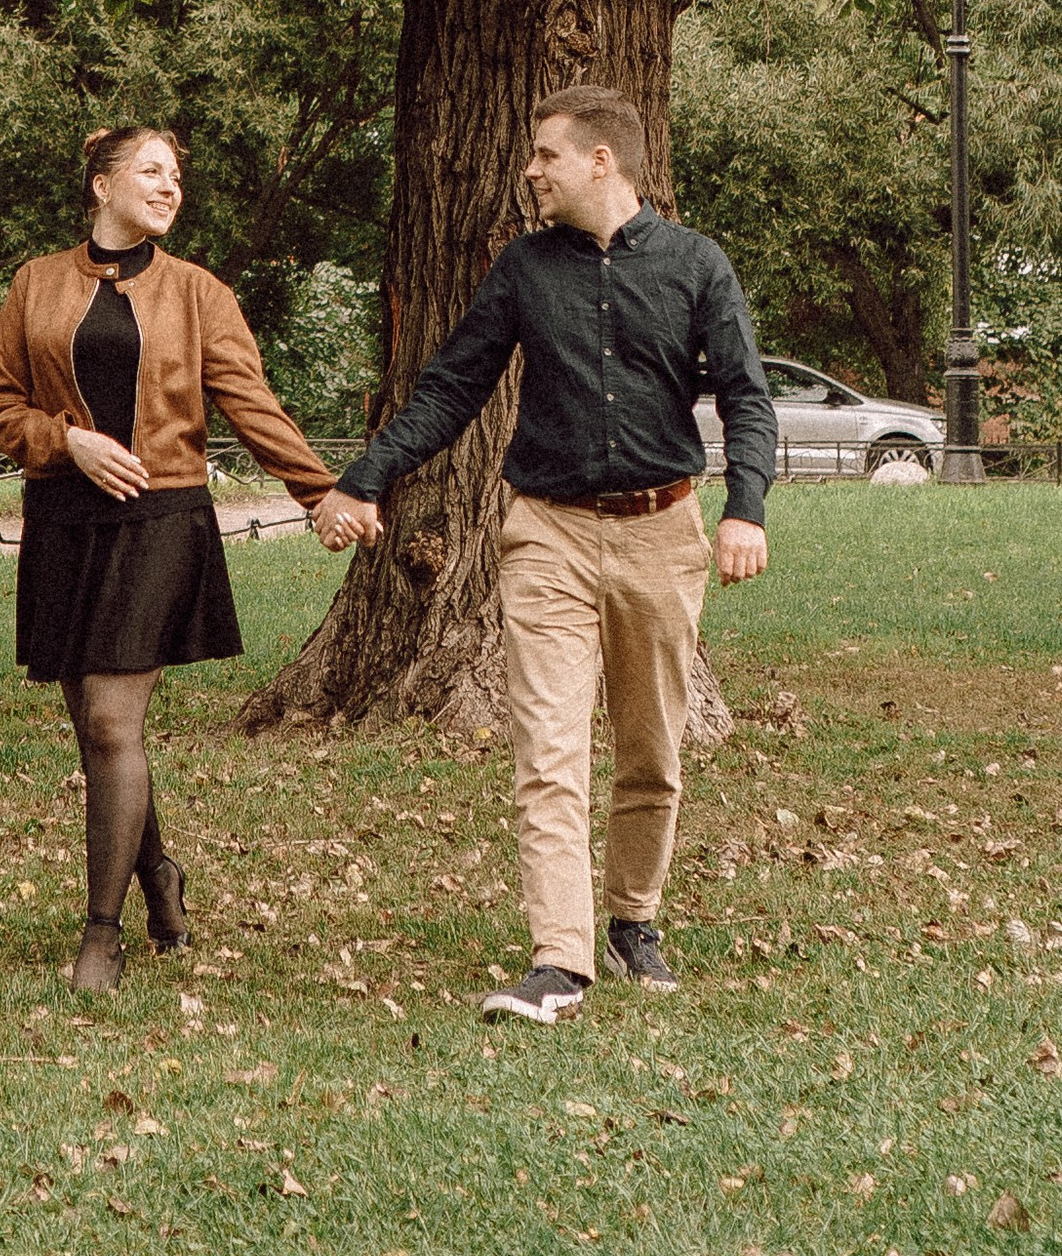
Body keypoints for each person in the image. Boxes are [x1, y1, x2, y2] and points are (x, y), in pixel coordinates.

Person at [313, 85, 775, 1021]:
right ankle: (559, 961)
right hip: (546, 534)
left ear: (602, 161)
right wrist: (365, 477)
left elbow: (747, 397)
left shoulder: (695, 266)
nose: (531, 169)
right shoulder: (523, 269)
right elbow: (452, 389)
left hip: (661, 532)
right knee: (548, 750)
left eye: (546, 154)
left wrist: (746, 509)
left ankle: (633, 921)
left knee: (651, 750)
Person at [0, 123, 342, 992]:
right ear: (101, 186)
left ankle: (100, 938)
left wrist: (319, 492)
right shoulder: (36, 284)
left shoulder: (198, 293)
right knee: (100, 733)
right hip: (64, 520)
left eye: (176, 175)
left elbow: (252, 405)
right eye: (151, 171)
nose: (170, 186)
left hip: (160, 520)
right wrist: (68, 441)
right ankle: (159, 877)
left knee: (111, 722)